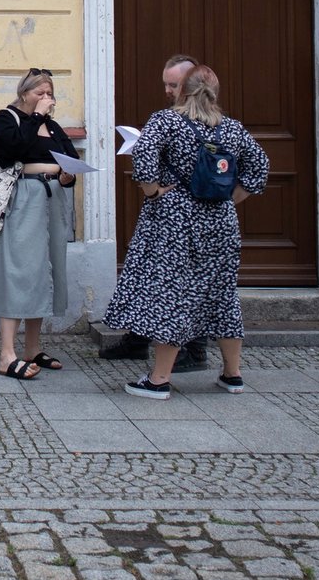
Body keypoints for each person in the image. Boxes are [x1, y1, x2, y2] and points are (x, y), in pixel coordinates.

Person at [103, 65, 269, 400]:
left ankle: (159, 380)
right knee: (223, 294)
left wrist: (152, 191)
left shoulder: (167, 121)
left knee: (172, 293)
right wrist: (232, 198)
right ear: (215, 92)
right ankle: (232, 375)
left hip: (177, 219)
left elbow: (144, 158)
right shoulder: (232, 129)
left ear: (183, 90)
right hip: (221, 221)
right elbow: (260, 167)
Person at [100, 53, 211, 372]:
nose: (167, 90)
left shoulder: (168, 120)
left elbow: (145, 165)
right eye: (165, 83)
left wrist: (152, 189)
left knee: (173, 280)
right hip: (194, 214)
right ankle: (139, 339)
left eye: (173, 84)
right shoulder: (215, 122)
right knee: (152, 274)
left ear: (192, 84)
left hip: (172, 214)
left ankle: (194, 349)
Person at [0, 67, 79, 381]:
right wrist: (36, 117)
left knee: (45, 268)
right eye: (40, 92)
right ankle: (6, 354)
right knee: (18, 268)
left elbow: (69, 155)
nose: (46, 99)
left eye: (50, 94)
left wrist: (68, 176)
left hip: (51, 196)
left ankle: (32, 349)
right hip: (24, 197)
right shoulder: (7, 118)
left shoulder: (52, 126)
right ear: (24, 92)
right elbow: (12, 151)